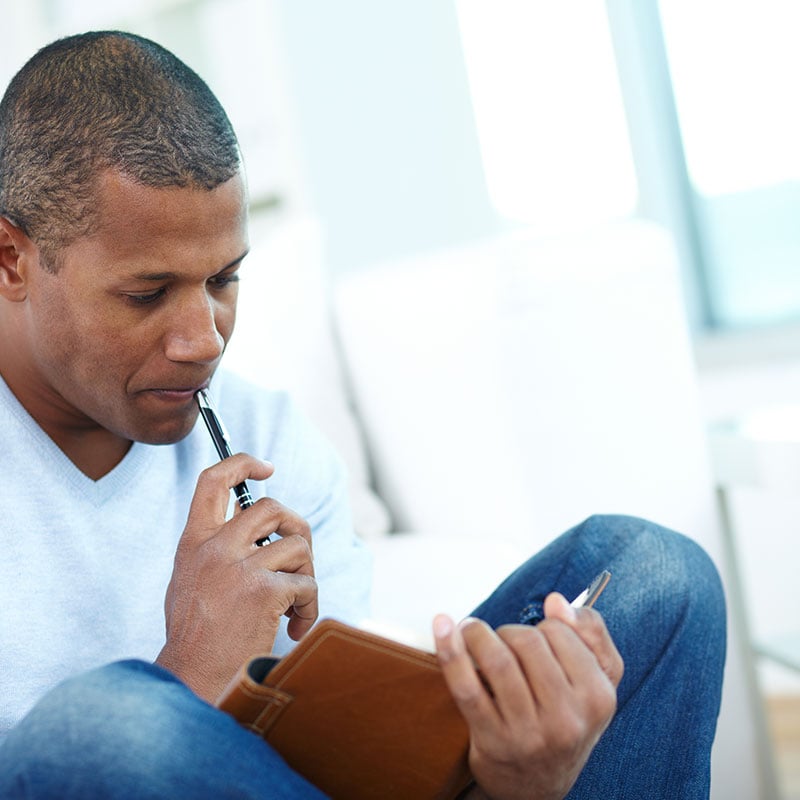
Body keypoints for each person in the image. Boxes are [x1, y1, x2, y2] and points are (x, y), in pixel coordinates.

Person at [0, 31, 725, 800]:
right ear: (12, 259)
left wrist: (514, 779)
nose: (203, 339)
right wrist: (192, 676)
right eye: (147, 294)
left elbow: (347, 769)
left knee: (657, 574)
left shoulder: (268, 438)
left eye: (223, 280)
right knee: (99, 727)